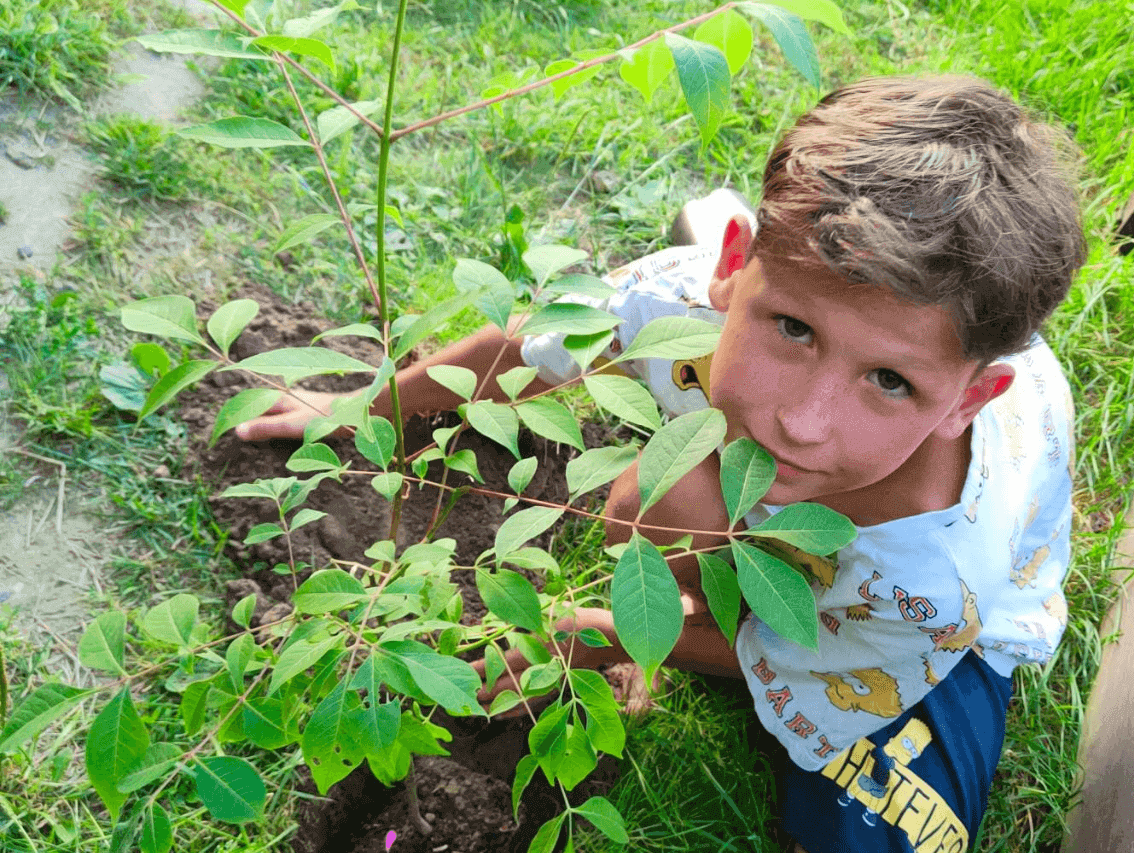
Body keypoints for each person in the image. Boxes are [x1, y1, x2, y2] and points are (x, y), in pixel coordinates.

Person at [236, 75, 1085, 853]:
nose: (803, 421)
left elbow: (797, 662)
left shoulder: (937, 579)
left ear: (970, 399)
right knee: (666, 488)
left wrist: (607, 635)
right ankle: (738, 271)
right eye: (793, 326)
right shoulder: (677, 310)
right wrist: (358, 406)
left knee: (867, 839)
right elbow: (525, 347)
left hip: (915, 628)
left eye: (890, 380)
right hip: (750, 419)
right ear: (729, 274)